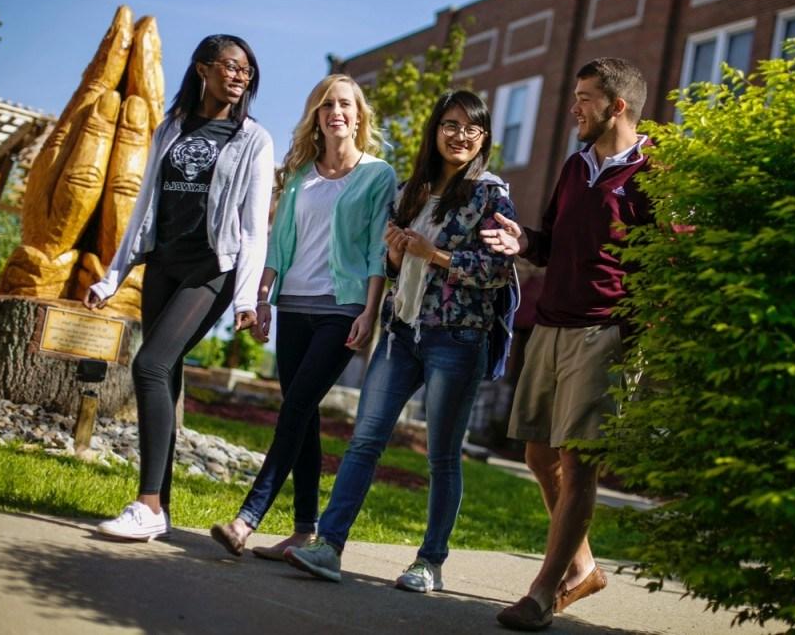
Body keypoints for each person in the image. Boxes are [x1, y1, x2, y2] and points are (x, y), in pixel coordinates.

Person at [284, 90, 516, 593]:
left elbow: (497, 271)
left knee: (441, 455)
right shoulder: (413, 189)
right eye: (450, 125)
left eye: (471, 129)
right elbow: (391, 267)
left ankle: (429, 562)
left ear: (483, 138)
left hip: (456, 337)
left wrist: (434, 255)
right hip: (400, 331)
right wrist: (394, 255)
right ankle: (329, 545)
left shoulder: (492, 194)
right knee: (365, 440)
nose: (460, 136)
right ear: (435, 131)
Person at [481, 57, 653, 631]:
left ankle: (540, 592)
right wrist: (520, 238)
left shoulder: (654, 171)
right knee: (536, 453)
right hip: (552, 323)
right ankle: (585, 567)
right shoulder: (575, 165)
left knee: (579, 464)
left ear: (617, 106)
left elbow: (665, 259)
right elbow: (549, 242)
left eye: (584, 98)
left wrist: (634, 334)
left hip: (603, 331)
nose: (573, 107)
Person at [85, 35, 274, 541]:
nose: (240, 77)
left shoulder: (254, 138)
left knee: (148, 364)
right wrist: (112, 277)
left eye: (247, 72)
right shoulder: (171, 127)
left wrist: (246, 299)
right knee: (164, 376)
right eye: (231, 67)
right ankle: (158, 507)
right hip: (163, 263)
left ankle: (146, 504)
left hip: (211, 268)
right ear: (202, 69)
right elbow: (145, 204)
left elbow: (255, 229)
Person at [209, 74, 396, 559]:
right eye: (327, 104)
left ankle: (246, 519)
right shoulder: (299, 175)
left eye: (346, 105)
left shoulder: (378, 175)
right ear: (317, 114)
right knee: (304, 414)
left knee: (293, 409)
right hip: (294, 306)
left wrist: (370, 312)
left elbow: (379, 249)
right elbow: (280, 242)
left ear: (359, 116)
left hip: (343, 308)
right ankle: (304, 530)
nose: (336, 111)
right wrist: (263, 296)